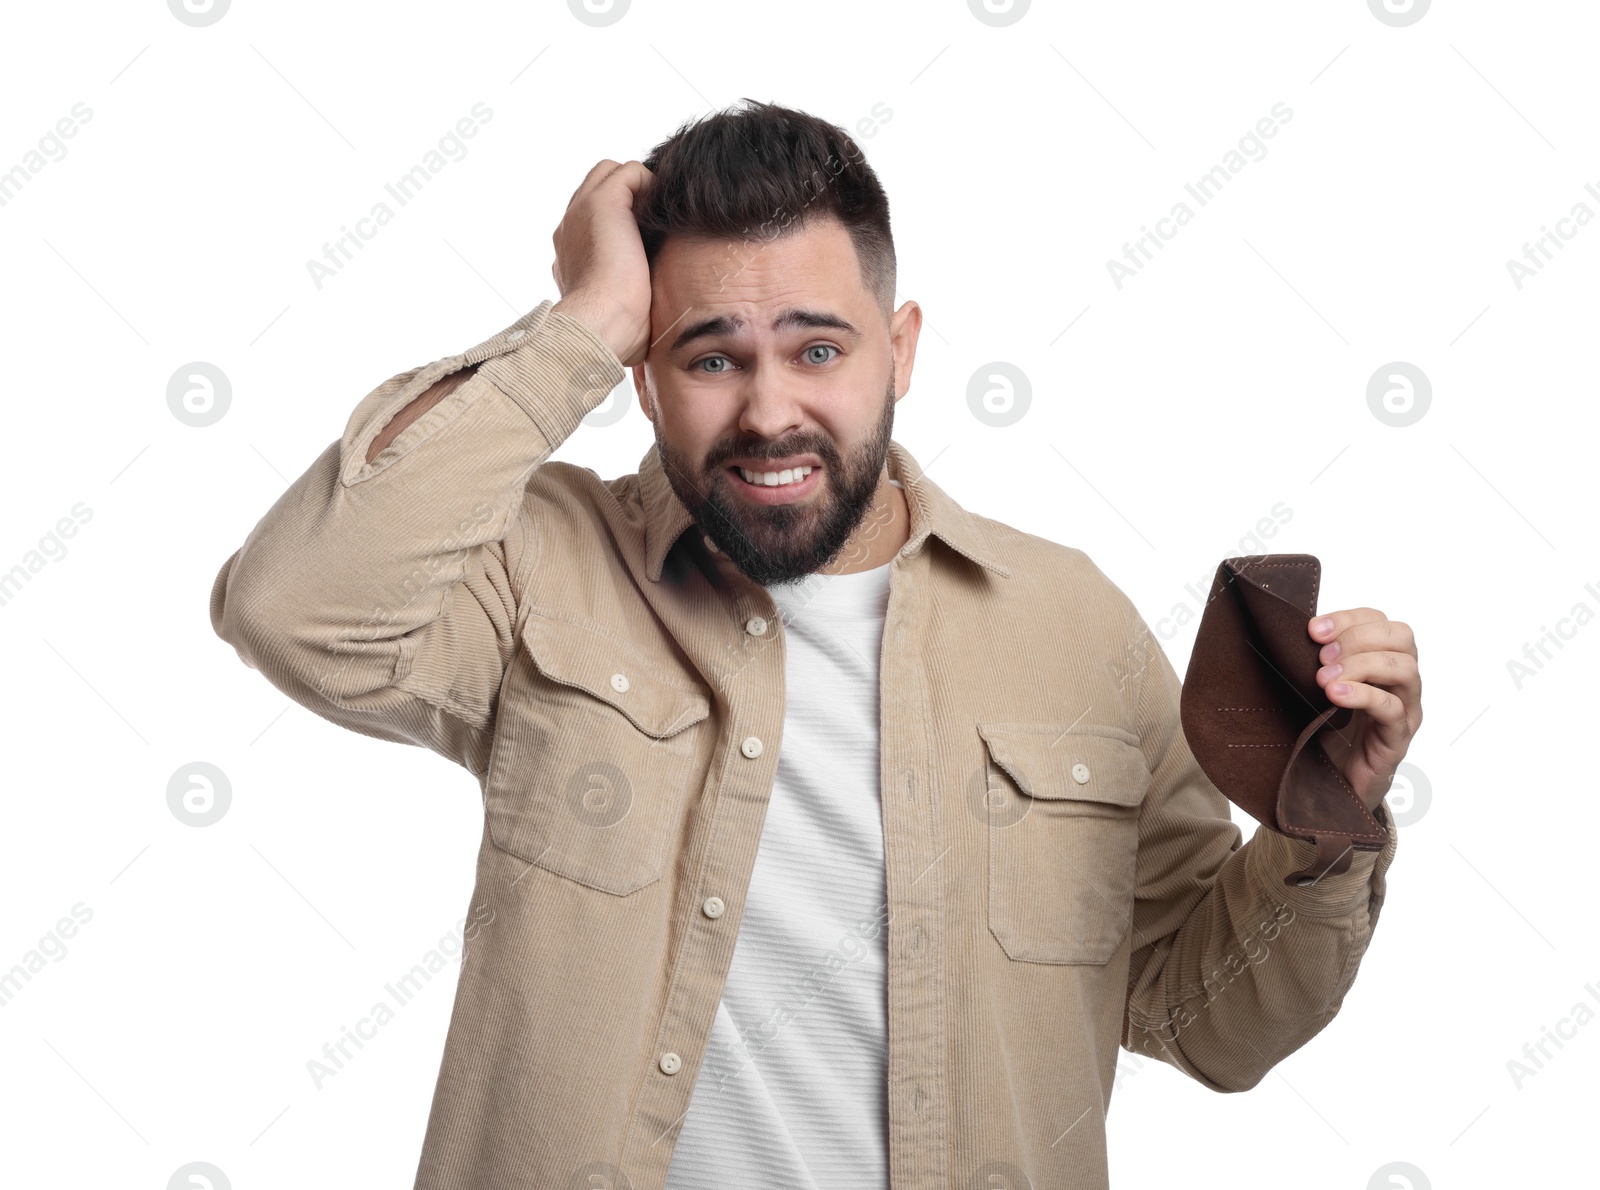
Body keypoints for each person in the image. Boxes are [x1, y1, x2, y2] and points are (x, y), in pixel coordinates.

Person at [209, 99, 1422, 1190]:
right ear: (643, 375)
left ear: (899, 350)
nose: (769, 407)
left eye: (818, 348)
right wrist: (579, 321)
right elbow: (297, 609)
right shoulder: (548, 563)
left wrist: (1322, 829)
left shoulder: (1069, 623)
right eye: (710, 354)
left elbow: (1202, 1019)